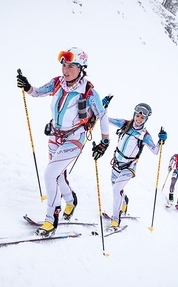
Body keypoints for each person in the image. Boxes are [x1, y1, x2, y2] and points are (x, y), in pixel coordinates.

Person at [16, 47, 110, 237]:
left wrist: (104, 142)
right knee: (58, 175)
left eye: (70, 66)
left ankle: (51, 219)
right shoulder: (58, 82)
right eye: (64, 65)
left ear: (81, 68)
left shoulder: (89, 92)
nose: (65, 70)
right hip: (54, 136)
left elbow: (103, 115)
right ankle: (70, 199)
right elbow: (37, 92)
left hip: (75, 139)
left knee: (50, 174)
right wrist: (27, 86)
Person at [107, 103, 167, 228]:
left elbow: (155, 151)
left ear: (146, 120)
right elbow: (106, 119)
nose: (139, 119)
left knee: (116, 189)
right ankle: (124, 201)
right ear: (134, 114)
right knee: (116, 187)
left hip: (129, 167)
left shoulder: (144, 135)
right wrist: (104, 107)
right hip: (116, 163)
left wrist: (161, 141)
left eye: (142, 118)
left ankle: (115, 218)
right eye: (138, 116)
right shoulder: (125, 124)